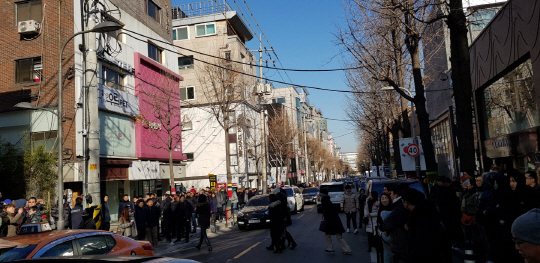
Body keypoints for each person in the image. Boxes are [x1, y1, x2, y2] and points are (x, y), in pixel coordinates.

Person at [401, 188, 443, 262]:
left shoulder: (420, 219)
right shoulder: (428, 212)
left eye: (403, 201)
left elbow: (421, 247)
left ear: (407, 202)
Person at [319, 188, 352, 255]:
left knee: (334, 236)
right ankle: (345, 249)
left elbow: (327, 214)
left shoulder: (325, 202)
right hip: (335, 222)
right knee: (335, 236)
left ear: (322, 195)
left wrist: (327, 222)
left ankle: (332, 248)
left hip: (332, 222)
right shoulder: (327, 201)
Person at [383, 184, 410, 262]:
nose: (390, 196)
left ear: (396, 195)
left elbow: (387, 223)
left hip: (401, 244)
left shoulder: (398, 208)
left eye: (391, 193)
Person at [376, 192, 393, 263]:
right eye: (382, 198)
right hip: (382, 236)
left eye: (386, 198)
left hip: (392, 237)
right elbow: (378, 222)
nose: (384, 200)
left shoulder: (393, 209)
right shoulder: (380, 209)